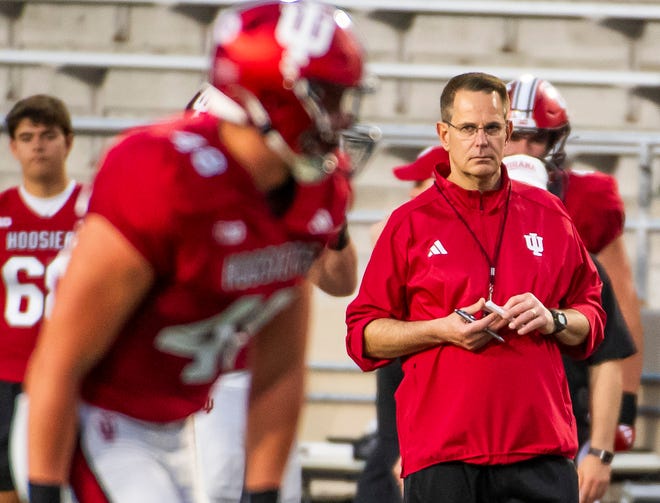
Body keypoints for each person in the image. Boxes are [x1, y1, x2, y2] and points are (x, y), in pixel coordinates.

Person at [19, 2, 370, 502]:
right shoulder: (168, 174)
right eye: (327, 96)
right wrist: (45, 488)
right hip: (92, 419)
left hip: (180, 422)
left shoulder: (315, 190)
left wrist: (264, 491)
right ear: (269, 91)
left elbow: (280, 368)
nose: (340, 117)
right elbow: (60, 360)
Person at [346, 72, 605, 503]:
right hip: (443, 454)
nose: (480, 140)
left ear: (507, 132)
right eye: (467, 128)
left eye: (491, 128)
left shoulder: (550, 213)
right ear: (444, 135)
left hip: (539, 449)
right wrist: (440, 329)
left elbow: (593, 318)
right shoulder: (409, 223)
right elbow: (362, 335)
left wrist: (554, 318)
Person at [186, 84, 366, 503]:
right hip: (195, 378)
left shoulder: (289, 200)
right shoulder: (174, 206)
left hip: (262, 374)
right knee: (213, 491)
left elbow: (341, 283)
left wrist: (331, 223)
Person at [505, 74, 643, 453]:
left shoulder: (587, 200)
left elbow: (621, 308)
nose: (522, 148)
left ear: (554, 141)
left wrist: (625, 402)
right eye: (513, 135)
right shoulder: (459, 195)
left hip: (566, 386)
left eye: (535, 137)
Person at [504, 154, 637, 503]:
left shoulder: (581, 263)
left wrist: (601, 453)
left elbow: (607, 360)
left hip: (556, 444)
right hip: (471, 446)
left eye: (534, 199)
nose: (524, 209)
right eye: (514, 197)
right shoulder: (461, 259)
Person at [0, 95, 84, 503]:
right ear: (13, 147)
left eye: (48, 135)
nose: (38, 145)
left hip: (75, 369)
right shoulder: (1, 211)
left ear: (68, 142)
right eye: (27, 137)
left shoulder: (96, 209)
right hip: (7, 371)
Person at [354, 145, 442, 503]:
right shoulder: (405, 229)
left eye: (420, 182)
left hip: (427, 411)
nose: (411, 191)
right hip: (399, 388)